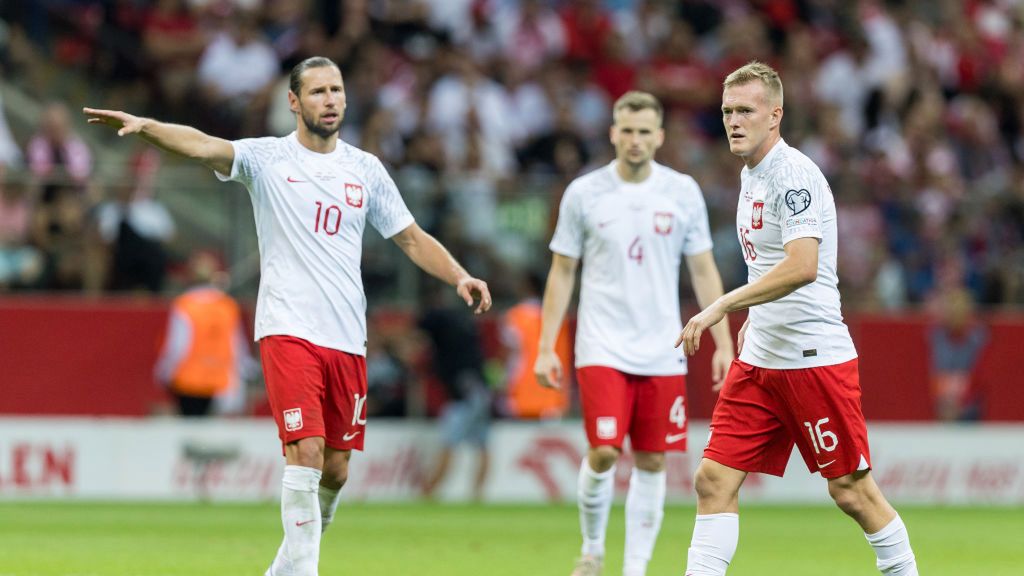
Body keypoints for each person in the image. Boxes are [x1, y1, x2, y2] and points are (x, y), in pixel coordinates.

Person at [84, 55, 492, 576]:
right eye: (319, 91)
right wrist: (147, 129)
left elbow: (410, 237)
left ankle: (282, 570)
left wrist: (459, 275)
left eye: (337, 90)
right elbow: (204, 143)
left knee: (337, 471)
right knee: (306, 453)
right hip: (288, 329)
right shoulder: (267, 158)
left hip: (347, 337)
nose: (331, 100)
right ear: (294, 102)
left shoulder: (366, 169)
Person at [676, 61, 918, 576]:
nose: (734, 121)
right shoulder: (750, 175)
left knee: (851, 491)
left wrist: (722, 305)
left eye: (746, 110)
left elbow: (802, 266)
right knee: (712, 481)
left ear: (775, 115)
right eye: (727, 111)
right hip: (761, 358)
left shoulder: (795, 176)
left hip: (812, 357)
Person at [535, 91, 734, 576]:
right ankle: (592, 549)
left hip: (663, 348)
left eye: (645, 131)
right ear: (612, 133)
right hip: (601, 344)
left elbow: (703, 269)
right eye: (627, 130)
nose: (636, 140)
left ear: (660, 136)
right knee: (604, 451)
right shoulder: (585, 193)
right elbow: (562, 272)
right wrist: (545, 346)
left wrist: (724, 341)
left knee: (652, 461)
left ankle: (635, 569)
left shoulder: (682, 191)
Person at [153, 250, 255, 417]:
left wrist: (165, 370)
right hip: (219, 380)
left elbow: (178, 345)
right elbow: (238, 345)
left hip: (188, 380)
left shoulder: (185, 305)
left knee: (191, 429)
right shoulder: (227, 306)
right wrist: (244, 371)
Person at [417, 283, 492, 502]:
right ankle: (477, 496)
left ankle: (429, 492)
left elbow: (417, 340)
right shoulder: (463, 319)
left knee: (449, 440)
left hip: (464, 392)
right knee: (482, 443)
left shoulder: (435, 318)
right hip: (479, 387)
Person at [501, 269, 572, 420]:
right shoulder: (559, 318)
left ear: (526, 286)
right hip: (553, 394)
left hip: (521, 393)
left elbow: (508, 353)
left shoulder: (515, 317)